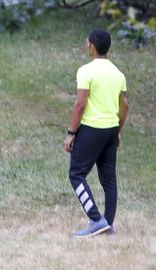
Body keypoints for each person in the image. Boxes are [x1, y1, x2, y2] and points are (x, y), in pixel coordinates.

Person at [63, 29, 129, 237]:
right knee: (109, 178)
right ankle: (107, 224)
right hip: (110, 130)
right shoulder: (118, 73)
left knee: (76, 174)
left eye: (87, 42)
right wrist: (117, 130)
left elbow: (80, 104)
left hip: (92, 129)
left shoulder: (86, 71)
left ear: (92, 46)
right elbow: (125, 104)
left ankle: (95, 219)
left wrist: (71, 133)